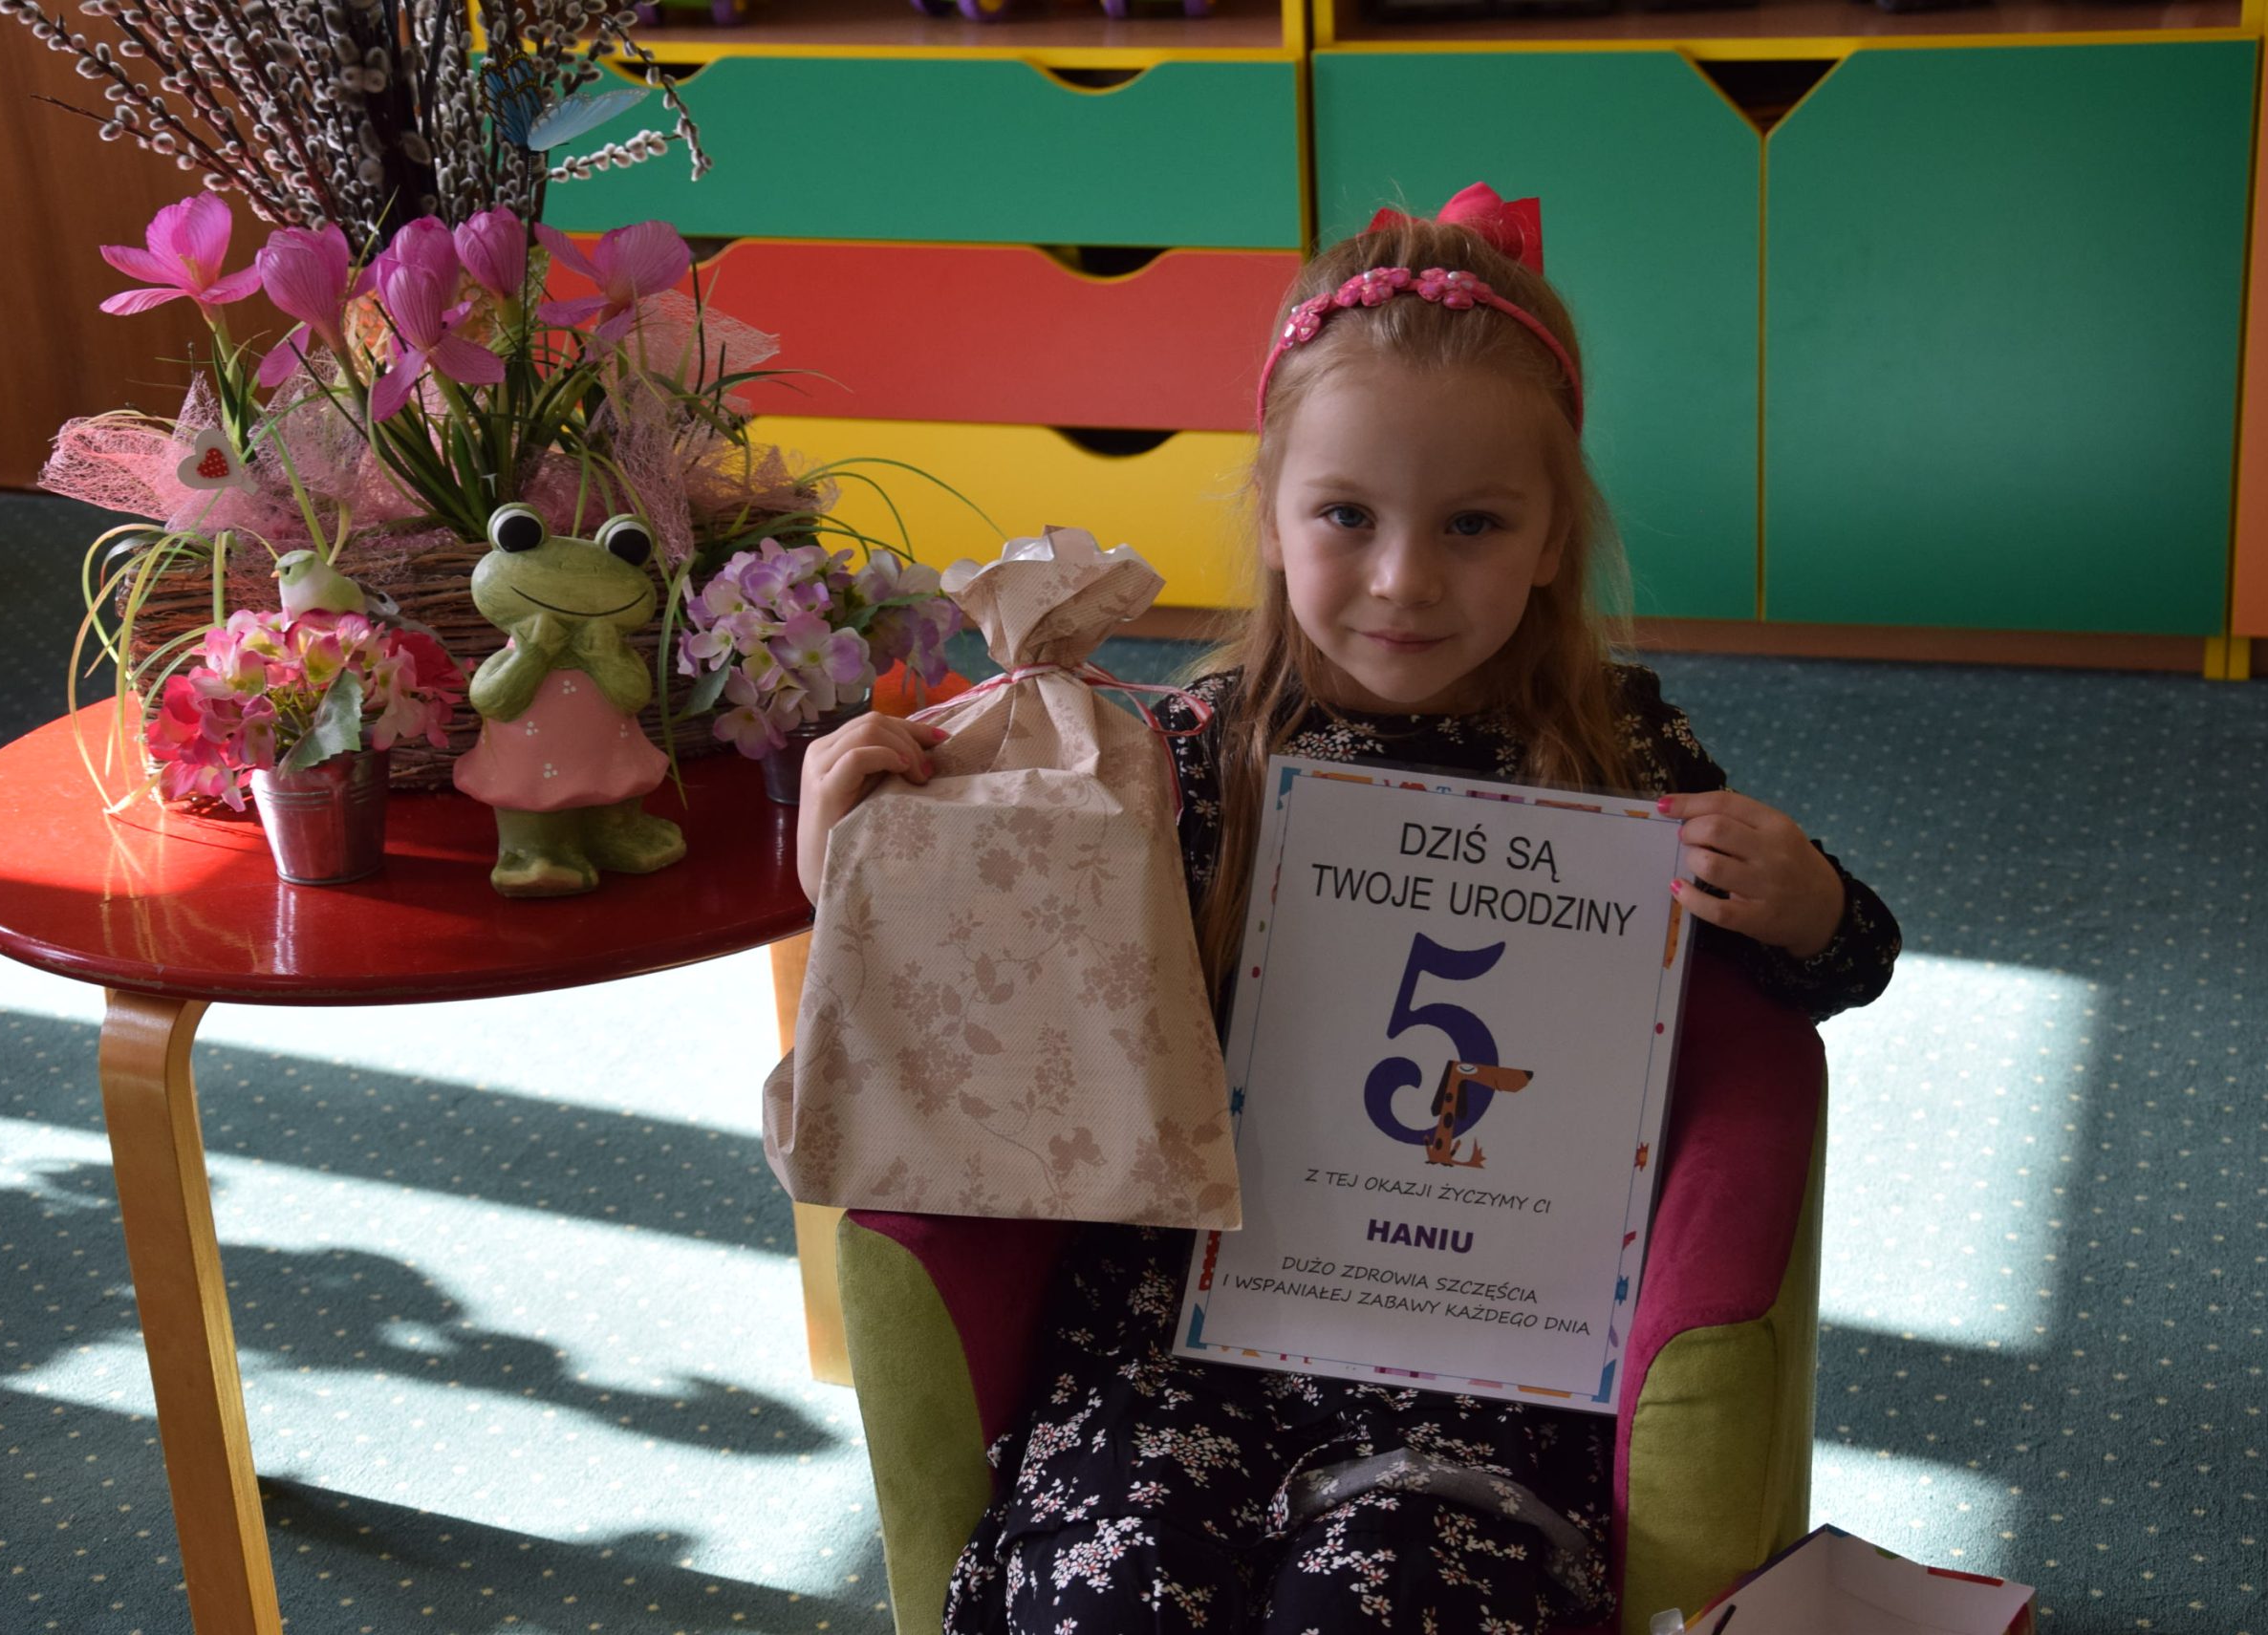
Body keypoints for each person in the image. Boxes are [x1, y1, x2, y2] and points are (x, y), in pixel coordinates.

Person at [792, 184, 1902, 1635]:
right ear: (1270, 513)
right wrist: (844, 857)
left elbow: (1820, 978)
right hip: (1177, 1341)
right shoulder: (1170, 756)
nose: (1403, 579)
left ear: (1554, 537)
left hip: (1484, 1359)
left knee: (1385, 1605)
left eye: (1474, 524)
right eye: (1346, 516)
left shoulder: (1623, 757)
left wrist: (1810, 903)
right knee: (1111, 1594)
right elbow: (975, 995)